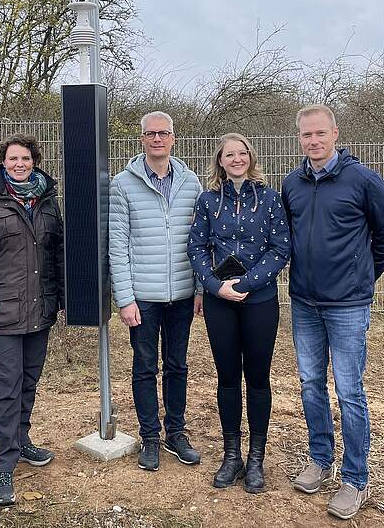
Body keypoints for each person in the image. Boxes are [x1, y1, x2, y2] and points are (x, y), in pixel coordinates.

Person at [282, 104, 384, 520]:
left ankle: (355, 479)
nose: (313, 141)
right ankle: (320, 458)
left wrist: (360, 277)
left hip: (348, 305)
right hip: (304, 303)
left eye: (320, 133)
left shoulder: (363, 180)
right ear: (299, 138)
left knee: (349, 392)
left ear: (335, 133)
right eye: (305, 135)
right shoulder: (291, 183)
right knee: (310, 383)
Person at [0, 134, 64, 506]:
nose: (19, 164)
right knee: (6, 389)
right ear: (2, 162)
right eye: (12, 159)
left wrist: (63, 300)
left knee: (28, 383)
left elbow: (58, 254)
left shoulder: (48, 201)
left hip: (39, 312)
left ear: (34, 161)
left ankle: (21, 442)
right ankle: (3, 466)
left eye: (25, 158)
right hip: (2, 315)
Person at [187, 133, 290, 493]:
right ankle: (232, 456)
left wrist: (245, 284)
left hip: (259, 301)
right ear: (220, 160)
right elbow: (196, 247)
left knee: (258, 379)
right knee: (228, 378)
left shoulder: (270, 198)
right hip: (220, 303)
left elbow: (280, 248)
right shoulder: (207, 200)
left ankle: (256, 458)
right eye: (229, 154)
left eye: (241, 153)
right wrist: (217, 288)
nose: (236, 159)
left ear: (251, 157)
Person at [109, 111, 203, 472]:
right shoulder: (123, 183)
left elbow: (200, 241)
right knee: (145, 366)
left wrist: (198, 288)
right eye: (151, 134)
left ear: (174, 138)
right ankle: (150, 436)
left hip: (181, 293)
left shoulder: (190, 182)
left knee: (177, 365)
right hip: (143, 298)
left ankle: (175, 432)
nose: (157, 139)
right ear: (142, 139)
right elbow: (117, 244)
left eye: (164, 133)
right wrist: (125, 298)